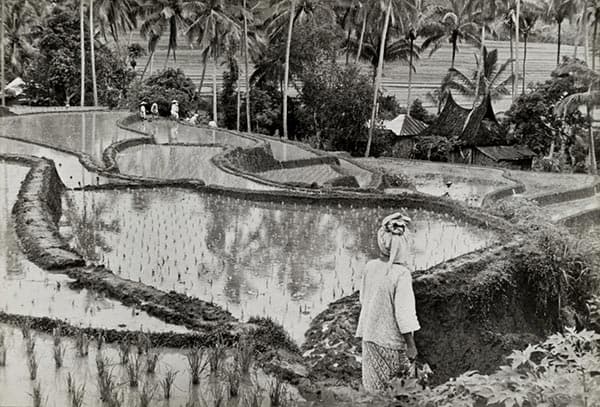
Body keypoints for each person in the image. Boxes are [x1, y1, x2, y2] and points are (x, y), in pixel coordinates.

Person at [355, 212, 420, 393]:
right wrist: (411, 345)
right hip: (391, 344)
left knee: (374, 390)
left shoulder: (370, 267)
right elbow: (404, 314)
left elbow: (364, 300)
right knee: (398, 392)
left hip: (370, 338)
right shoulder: (401, 274)